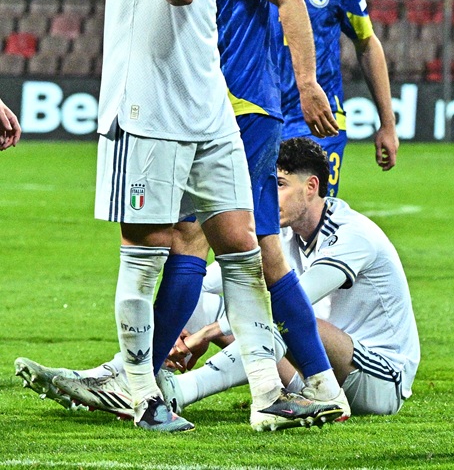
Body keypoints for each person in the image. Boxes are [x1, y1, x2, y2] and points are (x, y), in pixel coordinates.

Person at [18, 0, 347, 426]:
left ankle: (145, 378)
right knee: (240, 247)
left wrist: (307, 81)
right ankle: (286, 387)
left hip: (229, 105)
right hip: (222, 105)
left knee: (210, 245)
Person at [157, 137, 420, 417]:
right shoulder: (283, 233)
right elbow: (209, 282)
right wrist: (178, 332)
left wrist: (207, 333)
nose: (268, 196)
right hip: (310, 370)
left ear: (311, 187)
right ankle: (137, 372)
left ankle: (181, 390)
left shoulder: (353, 235)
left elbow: (296, 303)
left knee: (287, 314)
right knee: (192, 297)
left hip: (376, 380)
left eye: (279, 185)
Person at [267, 0, 399, 195]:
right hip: (259, 114)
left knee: (310, 222)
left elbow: (366, 44)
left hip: (318, 122)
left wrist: (387, 123)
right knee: (252, 228)